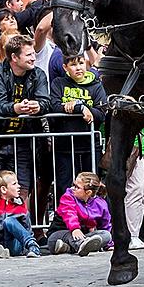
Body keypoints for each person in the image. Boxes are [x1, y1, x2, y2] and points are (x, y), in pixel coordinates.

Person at [0, 35, 48, 201]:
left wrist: (38, 106)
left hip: (24, 140)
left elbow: (46, 101)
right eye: (28, 54)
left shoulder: (38, 74)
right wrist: (15, 108)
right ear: (14, 57)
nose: (34, 57)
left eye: (33, 53)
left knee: (22, 186)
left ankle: (21, 223)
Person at [49, 54, 106, 192]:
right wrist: (80, 108)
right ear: (65, 67)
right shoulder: (58, 83)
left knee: (91, 187)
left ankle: (91, 214)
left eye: (81, 63)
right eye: (73, 65)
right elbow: (54, 106)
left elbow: (101, 113)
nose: (78, 68)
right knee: (65, 187)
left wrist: (81, 105)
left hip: (90, 145)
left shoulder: (97, 85)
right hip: (64, 146)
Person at [47, 171, 112, 256]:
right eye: (73, 185)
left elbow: (105, 225)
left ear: (88, 193)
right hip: (60, 233)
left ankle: (69, 248)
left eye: (77, 187)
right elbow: (69, 213)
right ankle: (81, 245)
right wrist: (75, 229)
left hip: (84, 235)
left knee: (106, 235)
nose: (72, 188)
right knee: (64, 238)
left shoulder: (101, 204)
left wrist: (109, 244)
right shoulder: (68, 196)